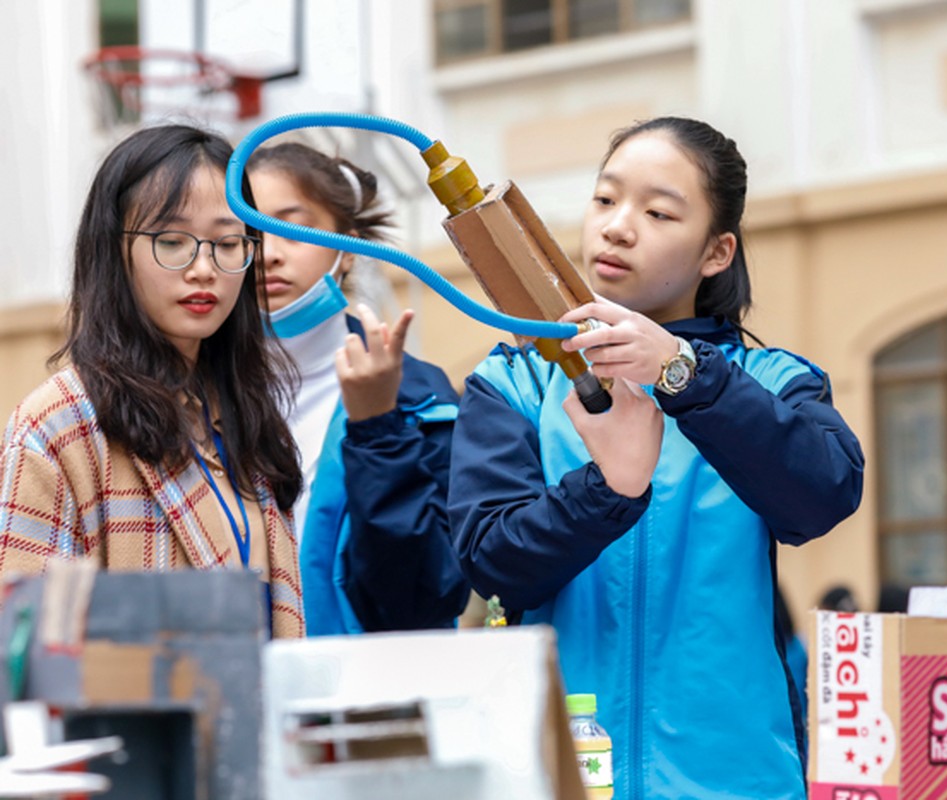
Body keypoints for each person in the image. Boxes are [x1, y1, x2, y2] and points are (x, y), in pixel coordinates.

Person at [449, 117, 864, 799]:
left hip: (733, 781)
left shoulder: (771, 382)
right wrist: (608, 488)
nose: (616, 227)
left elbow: (822, 496)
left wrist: (685, 374)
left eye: (658, 211)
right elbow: (491, 565)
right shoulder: (515, 383)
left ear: (716, 252)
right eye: (605, 200)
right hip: (555, 774)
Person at [0, 125, 304, 637]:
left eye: (229, 243)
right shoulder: (59, 425)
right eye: (171, 241)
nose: (204, 268)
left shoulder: (248, 417)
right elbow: (18, 646)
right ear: (114, 251)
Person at [247, 142, 468, 634]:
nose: (269, 254)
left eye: (293, 227)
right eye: (247, 233)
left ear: (347, 248)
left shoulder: (422, 398)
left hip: (369, 695)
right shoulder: (187, 395)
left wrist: (378, 427)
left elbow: (427, 597)